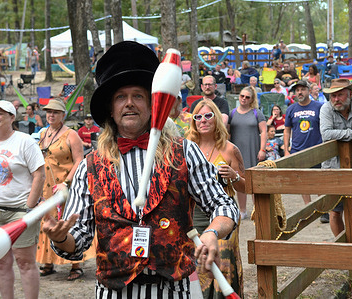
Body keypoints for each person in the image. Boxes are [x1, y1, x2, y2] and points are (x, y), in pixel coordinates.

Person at [42, 41, 239, 297]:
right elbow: (77, 241)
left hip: (173, 290)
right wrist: (60, 238)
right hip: (113, 291)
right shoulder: (89, 167)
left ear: (152, 105)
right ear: (111, 110)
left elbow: (224, 205)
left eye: (138, 96)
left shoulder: (185, 153)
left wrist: (212, 232)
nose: (129, 103)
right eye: (121, 97)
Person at [0, 100, 45, 299]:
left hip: (19, 211)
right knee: (0, 263)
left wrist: (29, 207)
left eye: (0, 113)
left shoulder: (25, 141)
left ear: (12, 117)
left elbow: (39, 175)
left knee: (24, 262)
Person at [186, 100, 245, 298]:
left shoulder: (229, 149)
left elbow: (246, 187)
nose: (203, 120)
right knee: (197, 266)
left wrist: (234, 177)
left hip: (223, 216)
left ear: (217, 119)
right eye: (198, 117)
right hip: (194, 218)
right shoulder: (186, 148)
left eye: (208, 116)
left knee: (223, 264)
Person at [36, 100, 95, 280]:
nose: (51, 115)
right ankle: (48, 261)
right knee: (48, 221)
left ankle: (75, 265)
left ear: (63, 115)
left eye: (55, 112)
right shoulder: (43, 133)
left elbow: (79, 160)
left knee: (66, 221)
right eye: (48, 112)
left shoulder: (71, 134)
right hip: (47, 186)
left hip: (66, 185)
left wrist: (67, 183)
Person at [320, 78, 352, 233]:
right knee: (335, 211)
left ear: (350, 93)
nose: (336, 99)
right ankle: (343, 248)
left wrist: (344, 136)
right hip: (333, 167)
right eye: (333, 96)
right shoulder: (326, 109)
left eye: (340, 95)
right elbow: (326, 134)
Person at [228, 86, 267, 219]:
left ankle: (257, 210)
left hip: (253, 150)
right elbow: (227, 133)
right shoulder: (232, 113)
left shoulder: (257, 113)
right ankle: (243, 210)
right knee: (239, 180)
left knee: (255, 181)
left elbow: (264, 132)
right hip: (237, 152)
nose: (244, 99)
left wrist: (262, 149)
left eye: (247, 97)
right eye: (242, 96)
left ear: (252, 99)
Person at [284, 80, 323, 205]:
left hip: (316, 149)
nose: (300, 92)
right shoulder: (291, 109)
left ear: (309, 91)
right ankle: (308, 208)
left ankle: (322, 208)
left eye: (303, 89)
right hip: (297, 150)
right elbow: (286, 130)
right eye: (297, 90)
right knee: (302, 181)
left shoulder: (319, 107)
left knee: (319, 180)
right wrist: (286, 150)